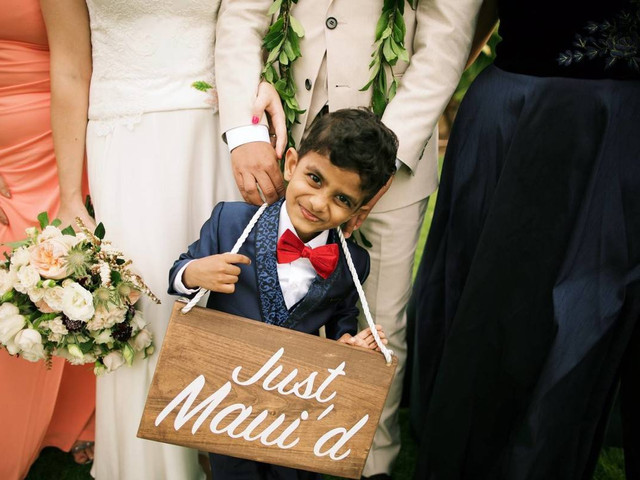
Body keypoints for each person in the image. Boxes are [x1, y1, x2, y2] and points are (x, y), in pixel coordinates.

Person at [214, 1, 483, 477]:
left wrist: (380, 167)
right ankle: (246, 446)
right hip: (282, 148)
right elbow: (241, 14)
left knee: (379, 324)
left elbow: (444, 40)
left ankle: (369, 461)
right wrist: (244, 129)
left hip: (391, 170)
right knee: (251, 315)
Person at [41, 0, 286, 478]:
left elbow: (254, 22)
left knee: (233, 302)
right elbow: (69, 67)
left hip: (222, 131)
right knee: (146, 305)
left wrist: (258, 85)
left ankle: (234, 458)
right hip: (127, 137)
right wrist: (71, 194)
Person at [409, 0, 640, 478]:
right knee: (499, 294)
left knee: (597, 297)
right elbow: (468, 23)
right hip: (518, 113)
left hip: (624, 124)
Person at [169, 109, 396, 480]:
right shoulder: (231, 222)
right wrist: (195, 273)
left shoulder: (353, 261)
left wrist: (350, 343)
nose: (319, 202)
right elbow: (177, 273)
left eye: (342, 198)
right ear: (291, 163)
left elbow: (342, 317)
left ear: (358, 210)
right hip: (228, 397)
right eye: (315, 178)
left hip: (297, 404)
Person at [0, 1, 95, 477]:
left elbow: (73, 65)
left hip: (51, 134)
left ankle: (69, 418)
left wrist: (69, 188)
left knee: (45, 277)